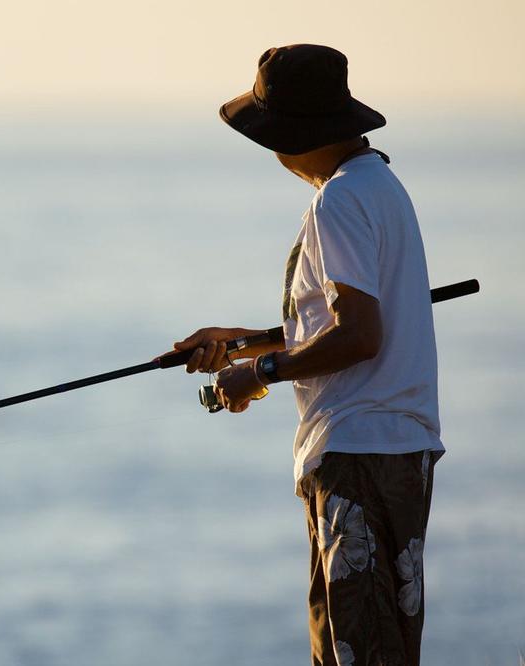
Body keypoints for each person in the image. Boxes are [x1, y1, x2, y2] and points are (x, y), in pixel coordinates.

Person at [173, 44, 444, 665]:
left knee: (355, 651)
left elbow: (359, 336)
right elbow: (341, 321)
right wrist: (243, 343)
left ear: (296, 133)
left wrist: (259, 373)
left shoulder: (340, 202)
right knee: (382, 645)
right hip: (393, 451)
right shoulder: (379, 186)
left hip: (356, 454)